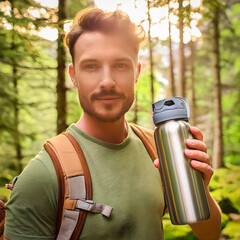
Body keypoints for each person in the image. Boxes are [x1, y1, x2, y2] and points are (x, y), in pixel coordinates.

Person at [4, 7, 221, 240]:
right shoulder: (43, 174)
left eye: (120, 65)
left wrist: (201, 190)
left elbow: (210, 234)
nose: (107, 81)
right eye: (91, 66)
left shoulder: (158, 151)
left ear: (136, 72)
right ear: (73, 75)